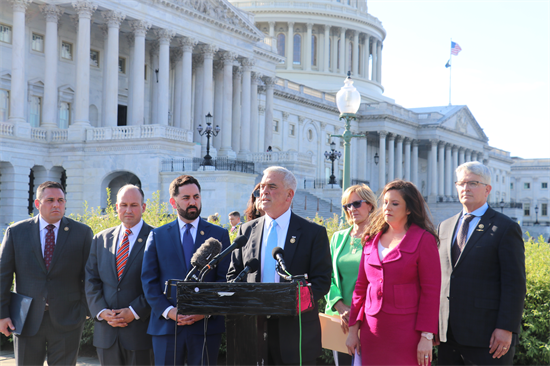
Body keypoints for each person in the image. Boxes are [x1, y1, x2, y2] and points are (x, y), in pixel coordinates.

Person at [227, 166, 332, 366]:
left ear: (289, 195)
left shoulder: (313, 233)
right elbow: (233, 274)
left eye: (272, 187)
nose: (263, 192)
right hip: (253, 330)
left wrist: (295, 301)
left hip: (295, 332)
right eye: (262, 187)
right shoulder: (246, 230)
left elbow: (322, 281)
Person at [436, 162, 526, 366]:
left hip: (488, 337)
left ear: (487, 190)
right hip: (447, 337)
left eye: (473, 183)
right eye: (461, 183)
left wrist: (506, 328)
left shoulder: (505, 227)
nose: (466, 188)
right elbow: (442, 277)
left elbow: (514, 284)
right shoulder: (444, 226)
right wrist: (435, 325)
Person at [346, 180, 441, 366]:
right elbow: (360, 288)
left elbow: (431, 292)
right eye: (385, 202)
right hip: (371, 332)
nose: (387, 207)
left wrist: (426, 337)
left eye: (395, 203)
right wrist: (352, 331)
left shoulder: (424, 240)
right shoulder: (371, 239)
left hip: (408, 335)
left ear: (409, 209)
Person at [0, 181, 93, 365]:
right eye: (50, 200)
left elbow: (90, 275)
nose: (56, 205)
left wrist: (84, 311)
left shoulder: (82, 233)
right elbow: (3, 276)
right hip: (26, 320)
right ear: (37, 204)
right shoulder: (16, 232)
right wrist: (3, 314)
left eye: (60, 200)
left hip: (68, 319)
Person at [141, 175, 231, 366]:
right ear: (173, 202)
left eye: (196, 197)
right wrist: (169, 311)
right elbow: (149, 280)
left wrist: (205, 311)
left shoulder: (219, 234)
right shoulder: (157, 235)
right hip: (166, 326)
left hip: (205, 327)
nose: (193, 202)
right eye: (186, 198)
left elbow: (224, 280)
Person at [85, 185, 153, 365]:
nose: (128, 210)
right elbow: (91, 279)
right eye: (123, 205)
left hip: (140, 333)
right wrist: (101, 311)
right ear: (116, 207)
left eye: (134, 205)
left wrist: (134, 311)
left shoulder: (157, 238)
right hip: (106, 334)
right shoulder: (101, 238)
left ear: (143, 207)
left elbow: (160, 283)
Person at [325, 184, 377, 366]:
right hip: (342, 320)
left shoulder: (381, 237)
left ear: (370, 205)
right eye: (347, 206)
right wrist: (339, 306)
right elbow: (327, 276)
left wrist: (358, 314)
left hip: (372, 319)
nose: (351, 209)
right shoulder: (338, 238)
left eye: (356, 204)